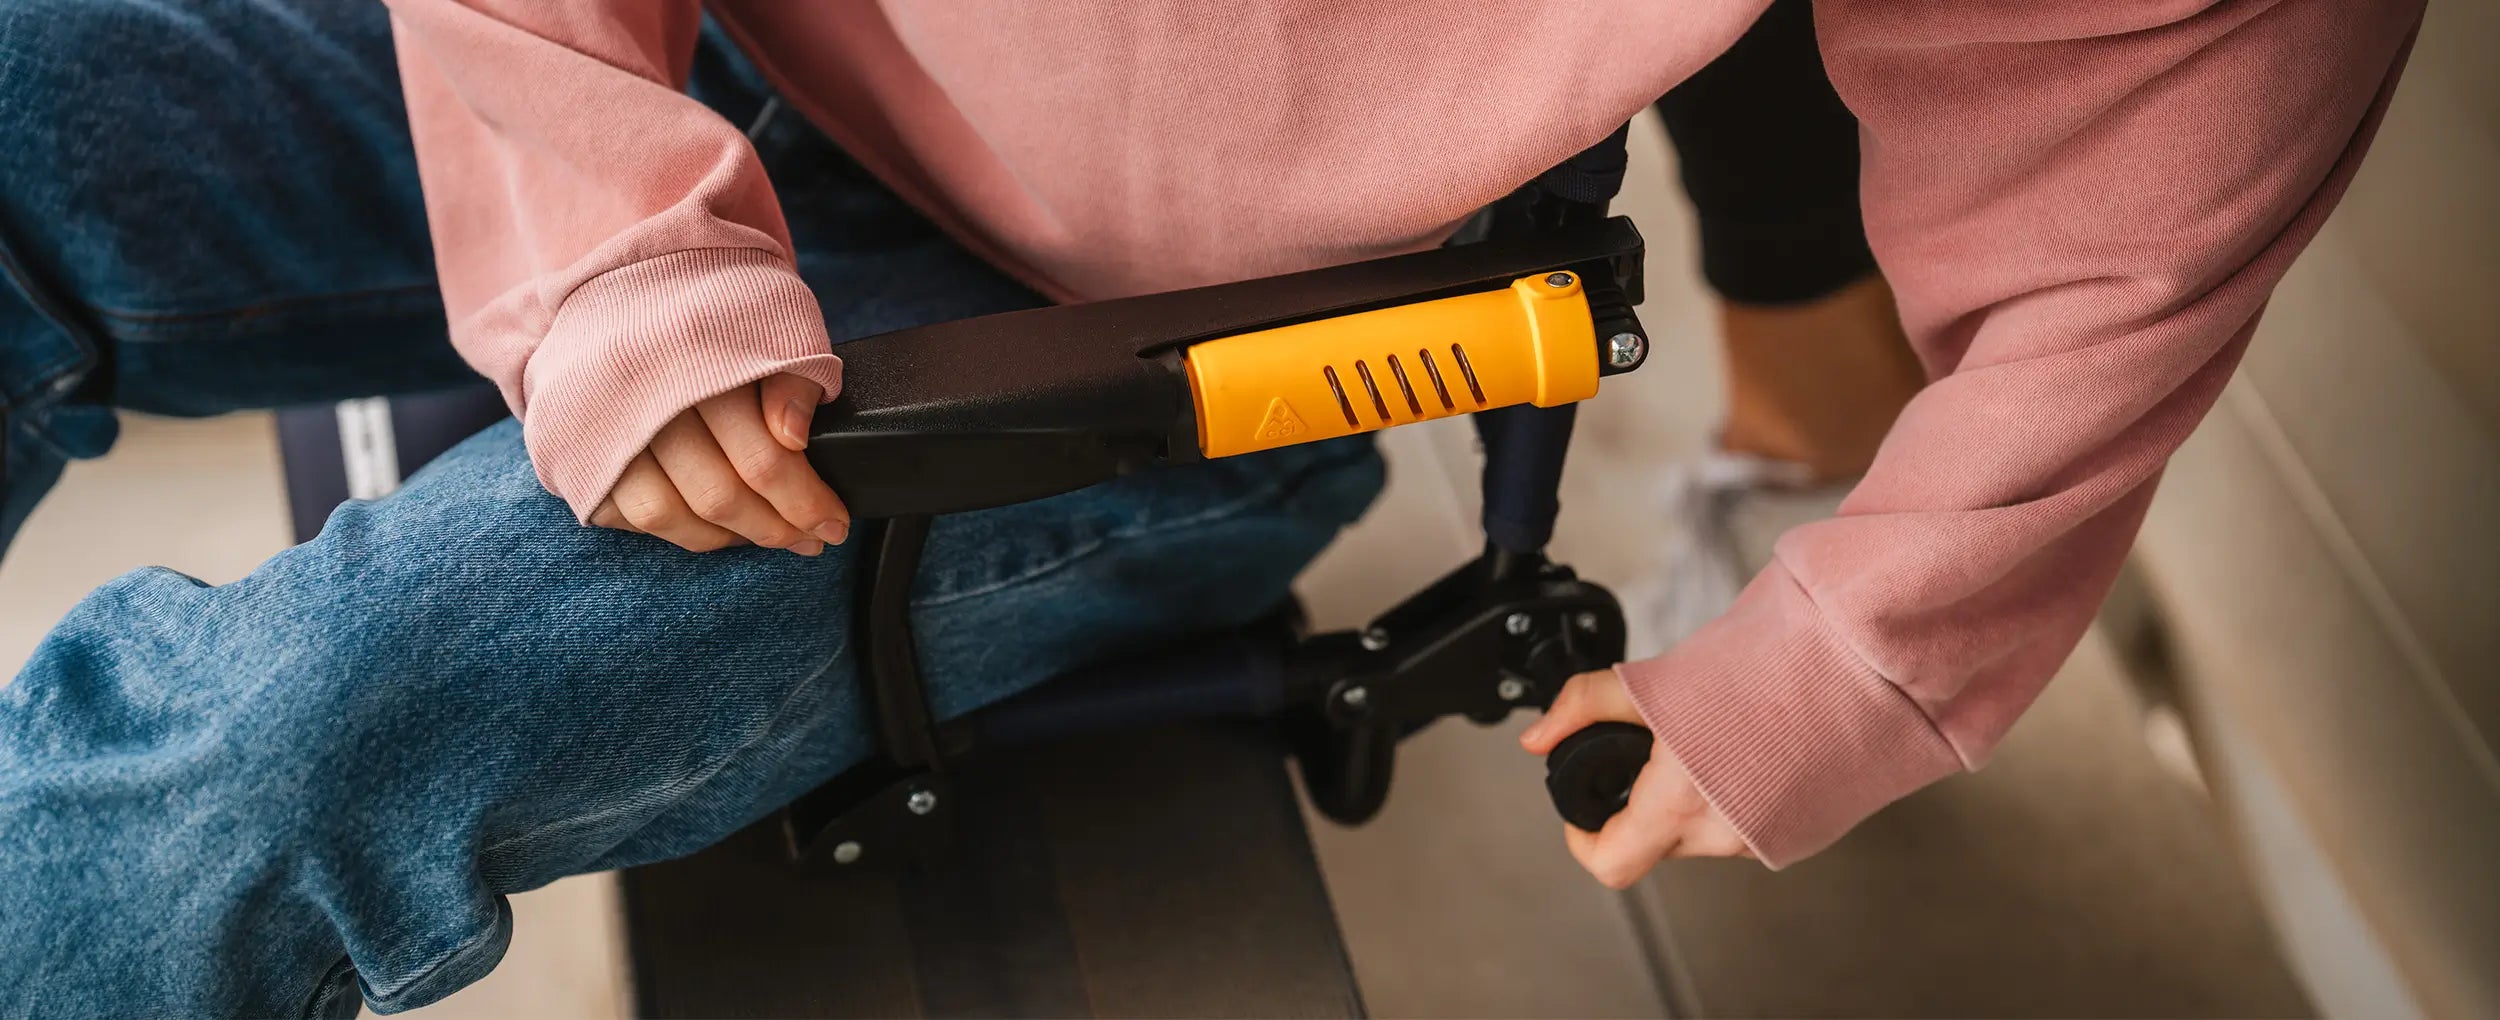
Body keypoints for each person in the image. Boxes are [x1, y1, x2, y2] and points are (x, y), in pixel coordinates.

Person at [0, 1, 2420, 1015]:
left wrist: (1834, 657)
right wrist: (616, 245)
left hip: (1167, 344)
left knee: (283, 747)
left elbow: (2141, 201)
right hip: (709, 72)